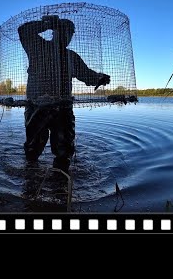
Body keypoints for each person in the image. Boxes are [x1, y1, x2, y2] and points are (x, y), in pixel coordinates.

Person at [18, 15, 110, 172]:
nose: (67, 36)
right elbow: (23, 31)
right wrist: (48, 23)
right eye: (63, 31)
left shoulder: (71, 56)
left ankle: (61, 185)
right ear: (55, 32)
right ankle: (31, 183)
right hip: (36, 107)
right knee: (33, 150)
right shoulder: (37, 47)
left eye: (70, 33)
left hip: (63, 109)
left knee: (64, 151)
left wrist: (99, 78)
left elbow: (86, 75)